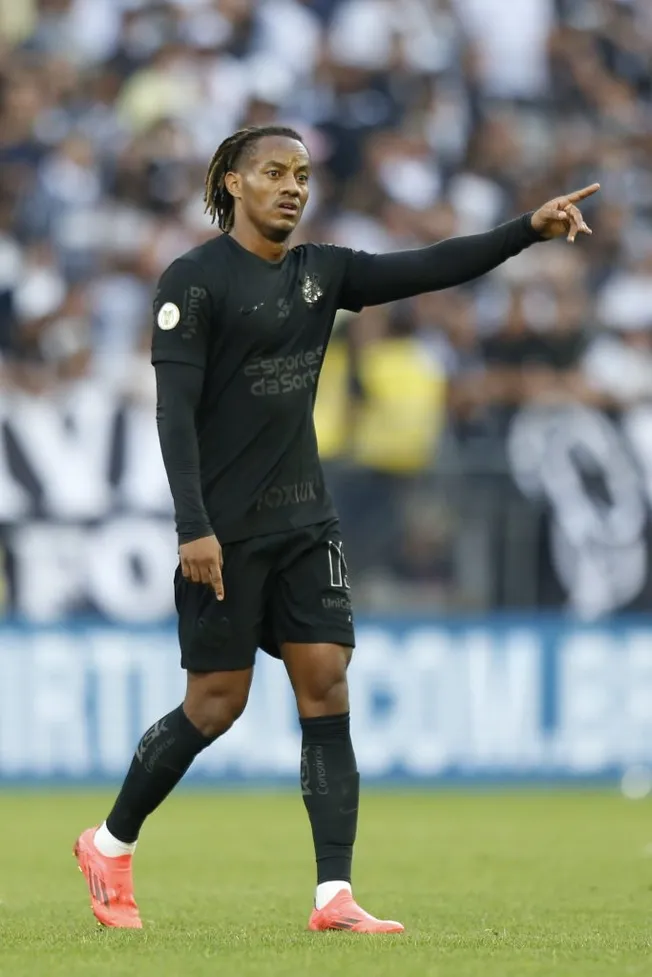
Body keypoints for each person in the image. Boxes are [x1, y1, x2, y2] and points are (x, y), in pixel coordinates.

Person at [73, 125, 598, 933]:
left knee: (327, 683)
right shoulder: (194, 280)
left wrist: (526, 230)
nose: (292, 187)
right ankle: (109, 841)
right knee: (215, 706)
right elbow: (172, 413)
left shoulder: (325, 273)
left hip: (304, 521)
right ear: (233, 183)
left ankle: (333, 895)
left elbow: (430, 266)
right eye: (274, 173)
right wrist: (193, 525)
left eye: (303, 175)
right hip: (225, 532)